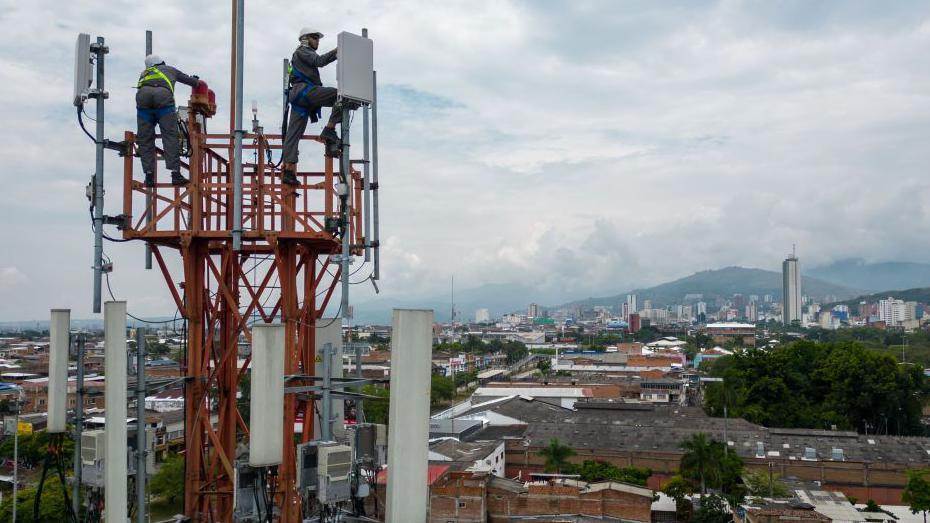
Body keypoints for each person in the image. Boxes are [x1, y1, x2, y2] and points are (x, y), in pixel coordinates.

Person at [281, 27, 341, 186]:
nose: (317, 41)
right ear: (305, 39)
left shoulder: (301, 53)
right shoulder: (303, 51)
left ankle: (288, 171)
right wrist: (338, 50)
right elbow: (319, 61)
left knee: (293, 134)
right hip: (304, 92)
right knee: (340, 96)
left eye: (318, 38)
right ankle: (329, 129)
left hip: (300, 96)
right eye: (315, 38)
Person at [136, 54, 202, 187]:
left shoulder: (145, 73)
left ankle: (149, 176)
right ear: (161, 62)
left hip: (143, 100)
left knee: (145, 139)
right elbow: (193, 82)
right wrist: (195, 79)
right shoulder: (169, 69)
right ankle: (175, 174)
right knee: (170, 136)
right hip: (163, 100)